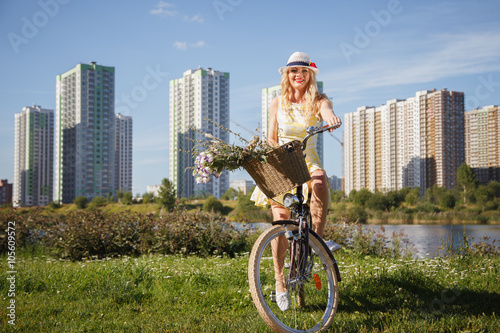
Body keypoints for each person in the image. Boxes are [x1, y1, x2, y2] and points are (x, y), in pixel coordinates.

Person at [250, 51, 342, 311]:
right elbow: (271, 136)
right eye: (293, 71)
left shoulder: (318, 100)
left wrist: (331, 119)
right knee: (280, 220)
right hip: (282, 161)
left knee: (321, 181)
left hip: (308, 160)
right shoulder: (277, 102)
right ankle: (280, 281)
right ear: (287, 76)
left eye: (303, 71)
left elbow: (327, 112)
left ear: (309, 75)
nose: (298, 75)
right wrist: (267, 156)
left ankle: (316, 241)